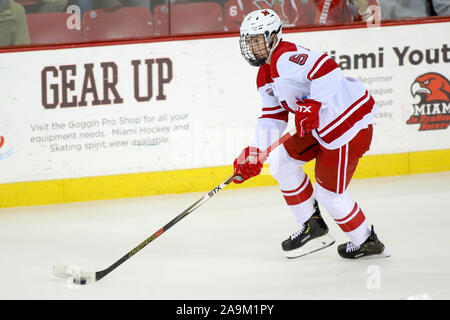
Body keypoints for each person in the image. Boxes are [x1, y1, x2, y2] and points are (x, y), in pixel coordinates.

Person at [233, 9, 390, 259]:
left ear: (274, 37)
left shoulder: (285, 57)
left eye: (257, 40)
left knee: (330, 194)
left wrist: (313, 104)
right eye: (249, 41)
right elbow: (274, 116)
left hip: (346, 126)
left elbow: (328, 69)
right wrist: (254, 151)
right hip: (320, 127)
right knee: (281, 162)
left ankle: (366, 241)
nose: (252, 46)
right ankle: (312, 225)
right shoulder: (265, 73)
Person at [315, 0, 380, 25]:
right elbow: (324, 36)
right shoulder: (330, 3)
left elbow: (375, 34)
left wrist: (364, 11)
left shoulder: (371, 2)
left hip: (363, 51)